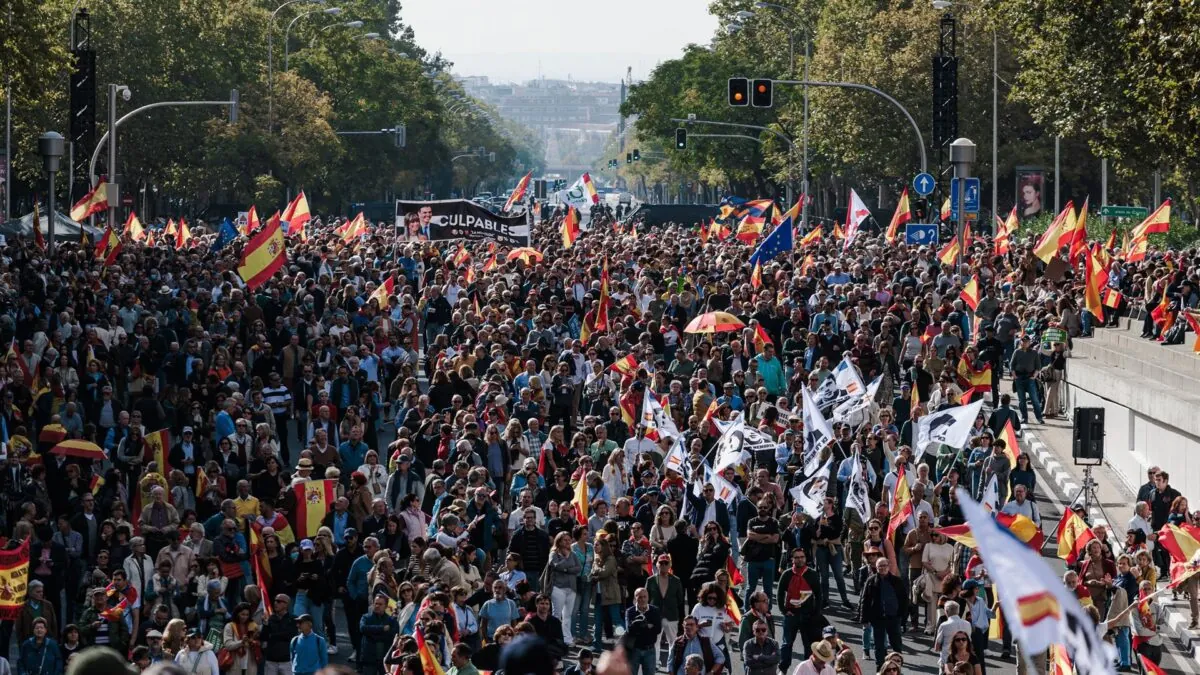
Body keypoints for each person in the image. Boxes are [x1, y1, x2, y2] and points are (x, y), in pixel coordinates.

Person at [777, 547, 824, 672]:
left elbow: (819, 595)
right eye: (796, 557)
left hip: (808, 615)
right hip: (791, 614)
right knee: (787, 644)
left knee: (808, 646)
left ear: (805, 558)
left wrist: (816, 613)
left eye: (802, 557)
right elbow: (780, 593)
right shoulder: (787, 574)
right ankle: (783, 669)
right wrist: (783, 610)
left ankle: (807, 671)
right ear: (792, 559)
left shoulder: (812, 574)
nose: (799, 559)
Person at [857, 557, 907, 665]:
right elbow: (864, 600)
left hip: (894, 618)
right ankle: (879, 667)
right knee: (878, 646)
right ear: (876, 567)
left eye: (884, 565)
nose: (882, 568)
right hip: (878, 618)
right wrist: (864, 618)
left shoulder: (897, 581)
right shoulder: (871, 581)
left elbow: (904, 600)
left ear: (888, 566)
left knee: (896, 645)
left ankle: (896, 667)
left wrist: (903, 618)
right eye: (880, 566)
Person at [358, 594, 399, 675]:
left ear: (386, 606)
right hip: (369, 659)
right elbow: (363, 628)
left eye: (380, 604)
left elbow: (393, 635)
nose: (377, 606)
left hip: (385, 659)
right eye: (376, 603)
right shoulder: (366, 617)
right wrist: (382, 629)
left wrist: (372, 634)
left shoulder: (392, 620)